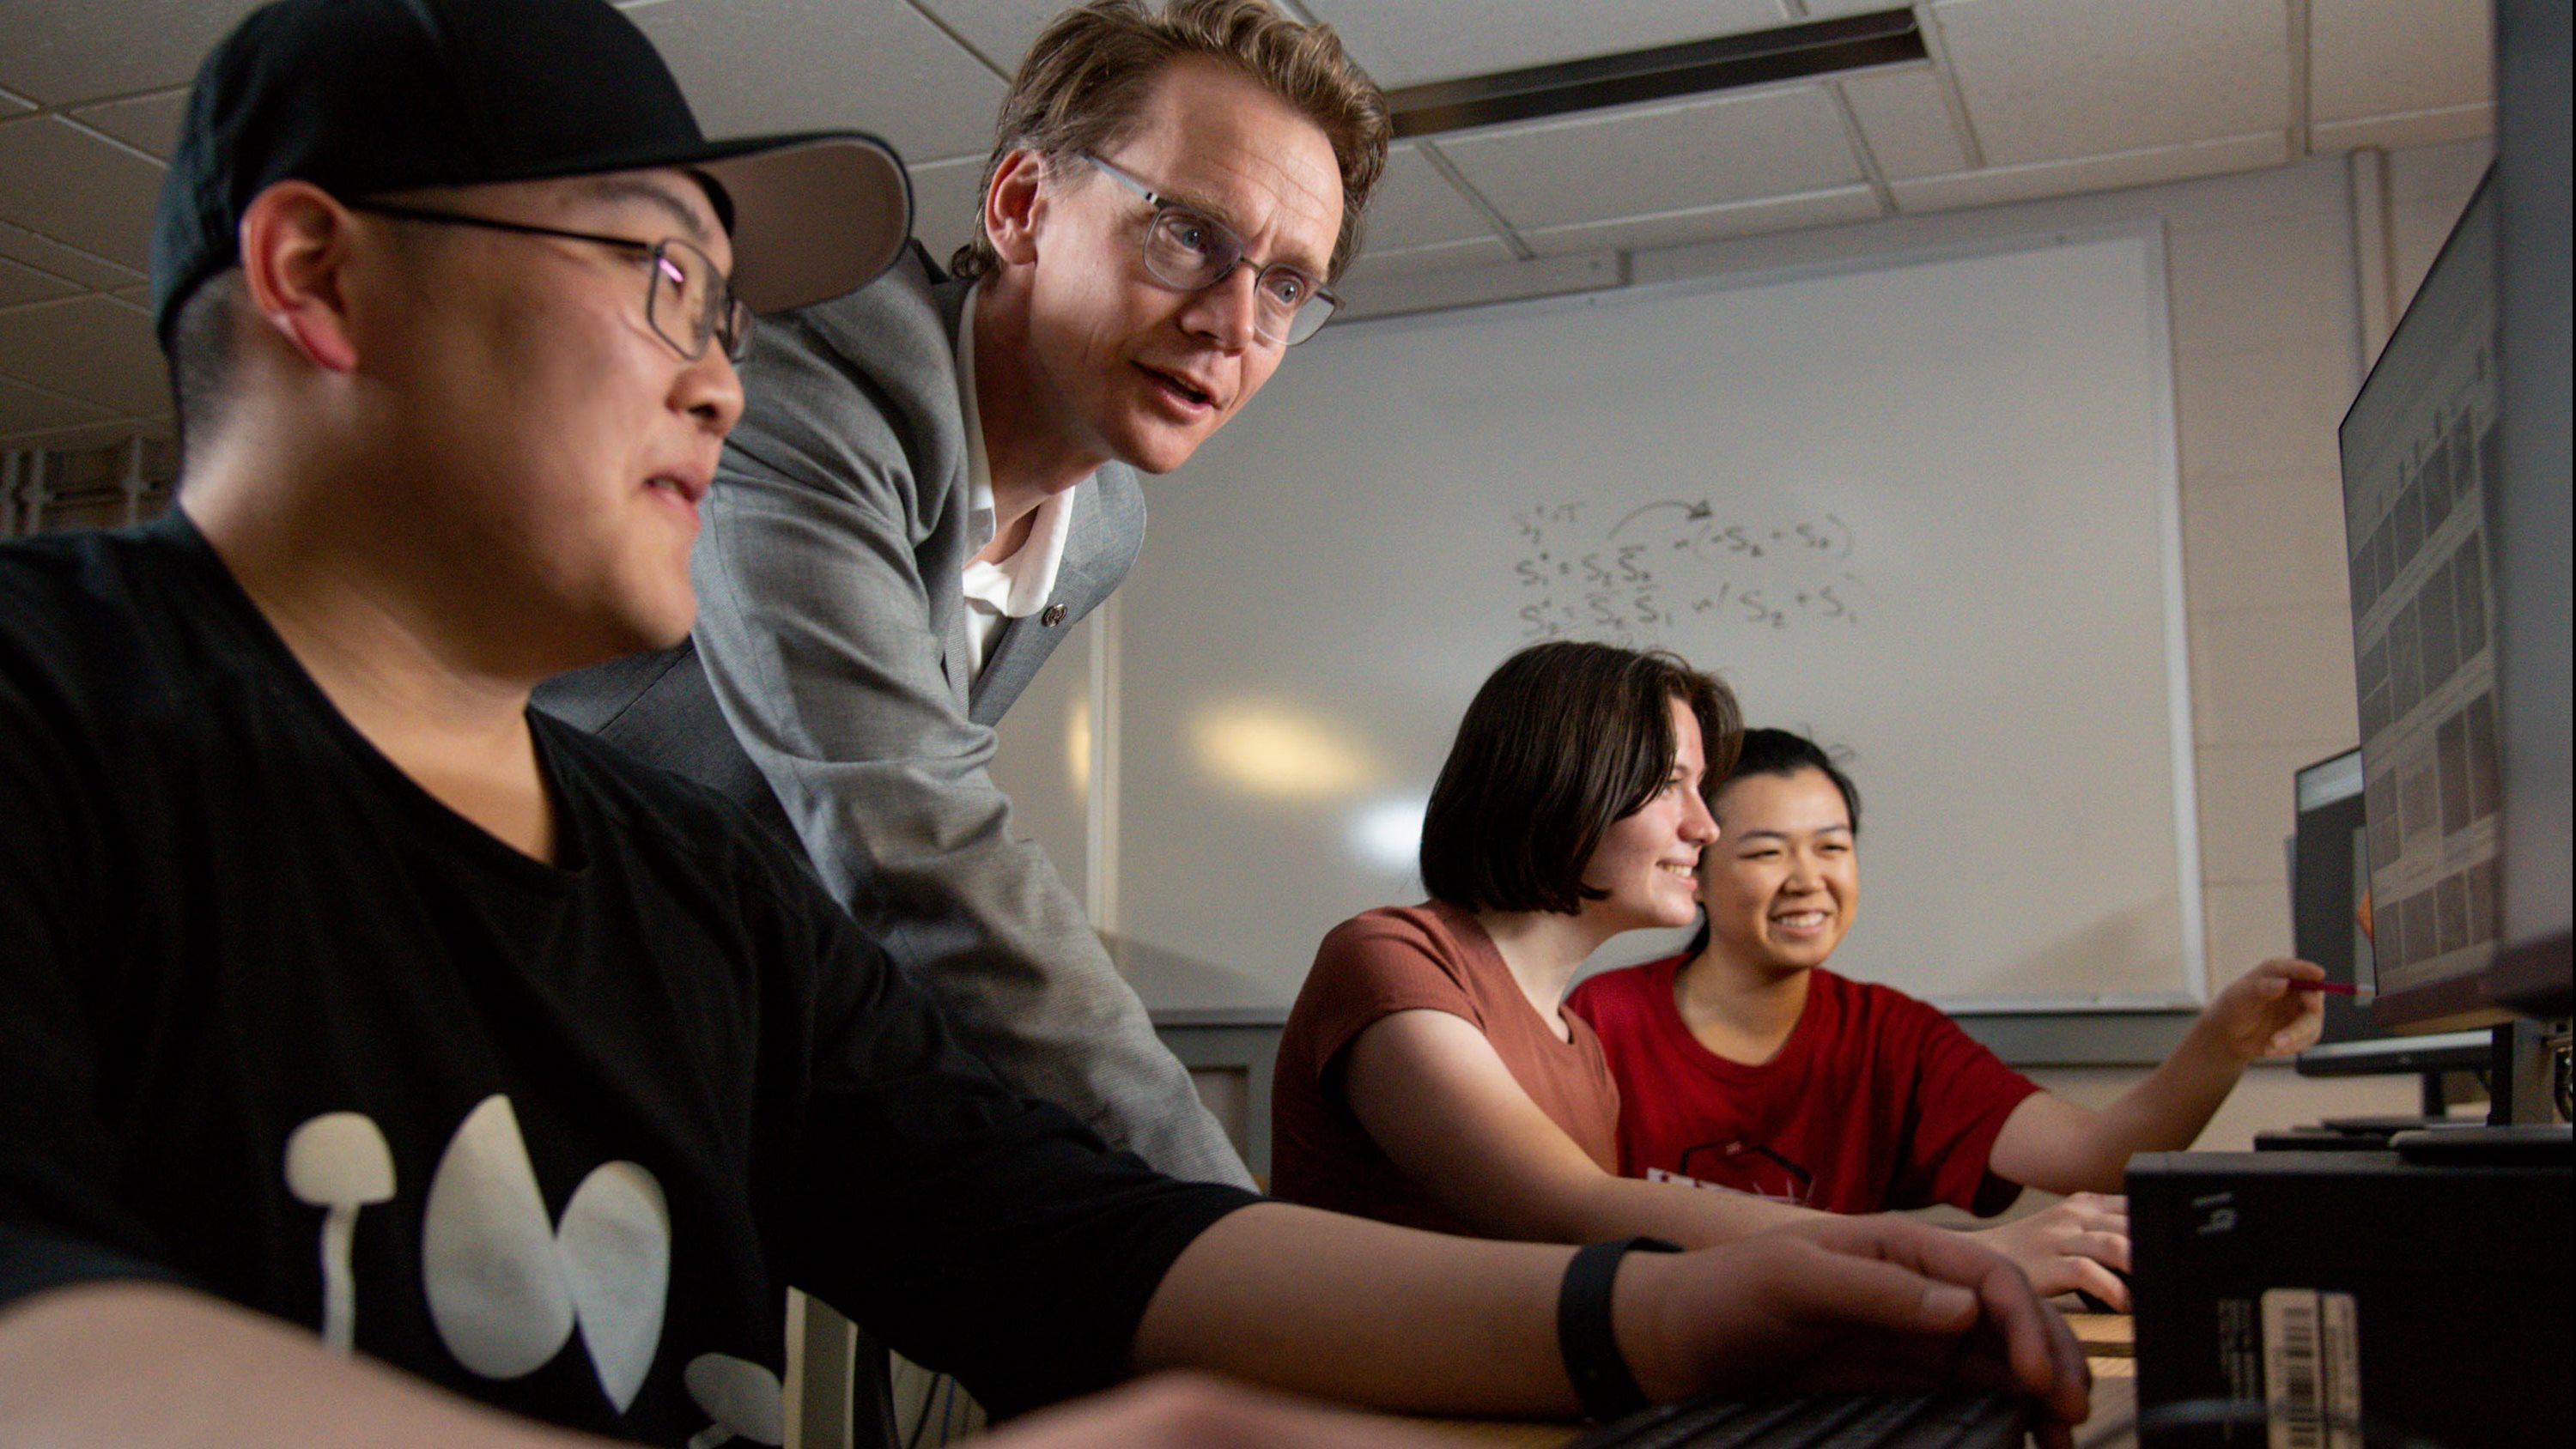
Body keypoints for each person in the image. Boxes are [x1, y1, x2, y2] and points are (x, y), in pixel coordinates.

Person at [0, 3, 2094, 1446]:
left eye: (729, 314)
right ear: (316, 275)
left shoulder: (698, 896)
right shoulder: (60, 717)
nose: (724, 378)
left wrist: (1662, 1315)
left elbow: (1048, 1232)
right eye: (657, 278)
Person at [535, 0, 1388, 1191]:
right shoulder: (802, 381)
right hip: (498, 965)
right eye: (1190, 235)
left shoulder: (1101, 531)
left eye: (1288, 286)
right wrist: (1227, 1221)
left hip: (706, 1007)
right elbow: (908, 831)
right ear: (1021, 208)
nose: (1232, 326)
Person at [1268, 643, 2152, 1302]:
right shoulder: (1390, 957)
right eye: (1671, 784)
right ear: (1561, 785)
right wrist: (1973, 1257)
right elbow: (1570, 1207)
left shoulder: (1576, 1044)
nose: (1706, 826)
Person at [1567, 728, 2329, 1307]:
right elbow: (1554, 1224)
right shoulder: (1600, 1021)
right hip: (1649, 1357)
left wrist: (2223, 1042)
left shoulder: (1893, 1037)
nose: (1809, 880)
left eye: (1832, 847)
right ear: (1695, 870)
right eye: (1767, 853)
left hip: (1826, 1370)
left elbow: (2096, 1157)